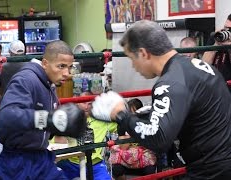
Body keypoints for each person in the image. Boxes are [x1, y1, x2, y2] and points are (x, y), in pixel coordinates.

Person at [91, 20, 231, 179]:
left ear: (143, 53)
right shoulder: (200, 67)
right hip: (220, 160)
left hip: (210, 170)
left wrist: (121, 115)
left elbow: (159, 139)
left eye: (132, 59)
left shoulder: (170, 82)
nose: (133, 67)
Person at [0, 40, 87, 180]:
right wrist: (49, 119)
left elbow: (43, 125)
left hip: (39, 157)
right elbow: (7, 116)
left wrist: (62, 127)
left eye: (69, 67)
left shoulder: (50, 84)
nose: (66, 73)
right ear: (45, 63)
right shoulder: (26, 79)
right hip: (12, 160)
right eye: (61, 66)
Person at [56, 91, 117, 180]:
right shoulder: (68, 119)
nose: (86, 106)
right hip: (70, 162)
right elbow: (57, 143)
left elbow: (123, 124)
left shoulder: (102, 120)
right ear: (77, 103)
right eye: (83, 102)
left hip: (94, 164)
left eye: (89, 103)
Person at [202, 13, 231, 92]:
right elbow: (204, 64)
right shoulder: (217, 37)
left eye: (230, 29)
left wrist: (229, 48)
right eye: (225, 27)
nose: (227, 32)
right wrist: (216, 44)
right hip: (215, 87)